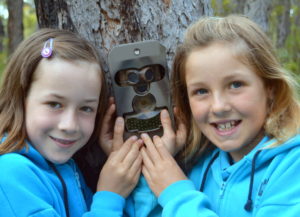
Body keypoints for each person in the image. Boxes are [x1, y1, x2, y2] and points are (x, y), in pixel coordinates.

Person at [123, 15, 300, 216]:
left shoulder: (292, 165)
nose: (218, 107)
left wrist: (176, 194)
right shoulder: (201, 164)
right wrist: (158, 163)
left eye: (235, 85)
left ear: (271, 88)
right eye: (201, 91)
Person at [0, 28, 143, 217]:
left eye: (86, 108)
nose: (70, 125)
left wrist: (128, 171)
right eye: (54, 104)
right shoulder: (10, 174)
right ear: (21, 98)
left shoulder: (66, 168)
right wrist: (110, 196)